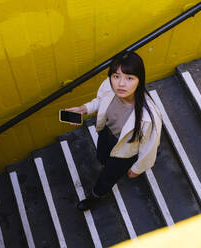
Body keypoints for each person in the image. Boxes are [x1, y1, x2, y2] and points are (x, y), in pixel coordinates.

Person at [66, 51, 162, 211]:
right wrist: (84, 109)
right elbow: (100, 101)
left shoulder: (148, 117)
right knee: (102, 157)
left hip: (125, 150)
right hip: (106, 133)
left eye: (129, 78)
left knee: (108, 176)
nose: (121, 84)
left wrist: (138, 168)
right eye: (116, 76)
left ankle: (95, 196)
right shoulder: (109, 86)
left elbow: (151, 146)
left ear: (140, 80)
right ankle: (105, 164)